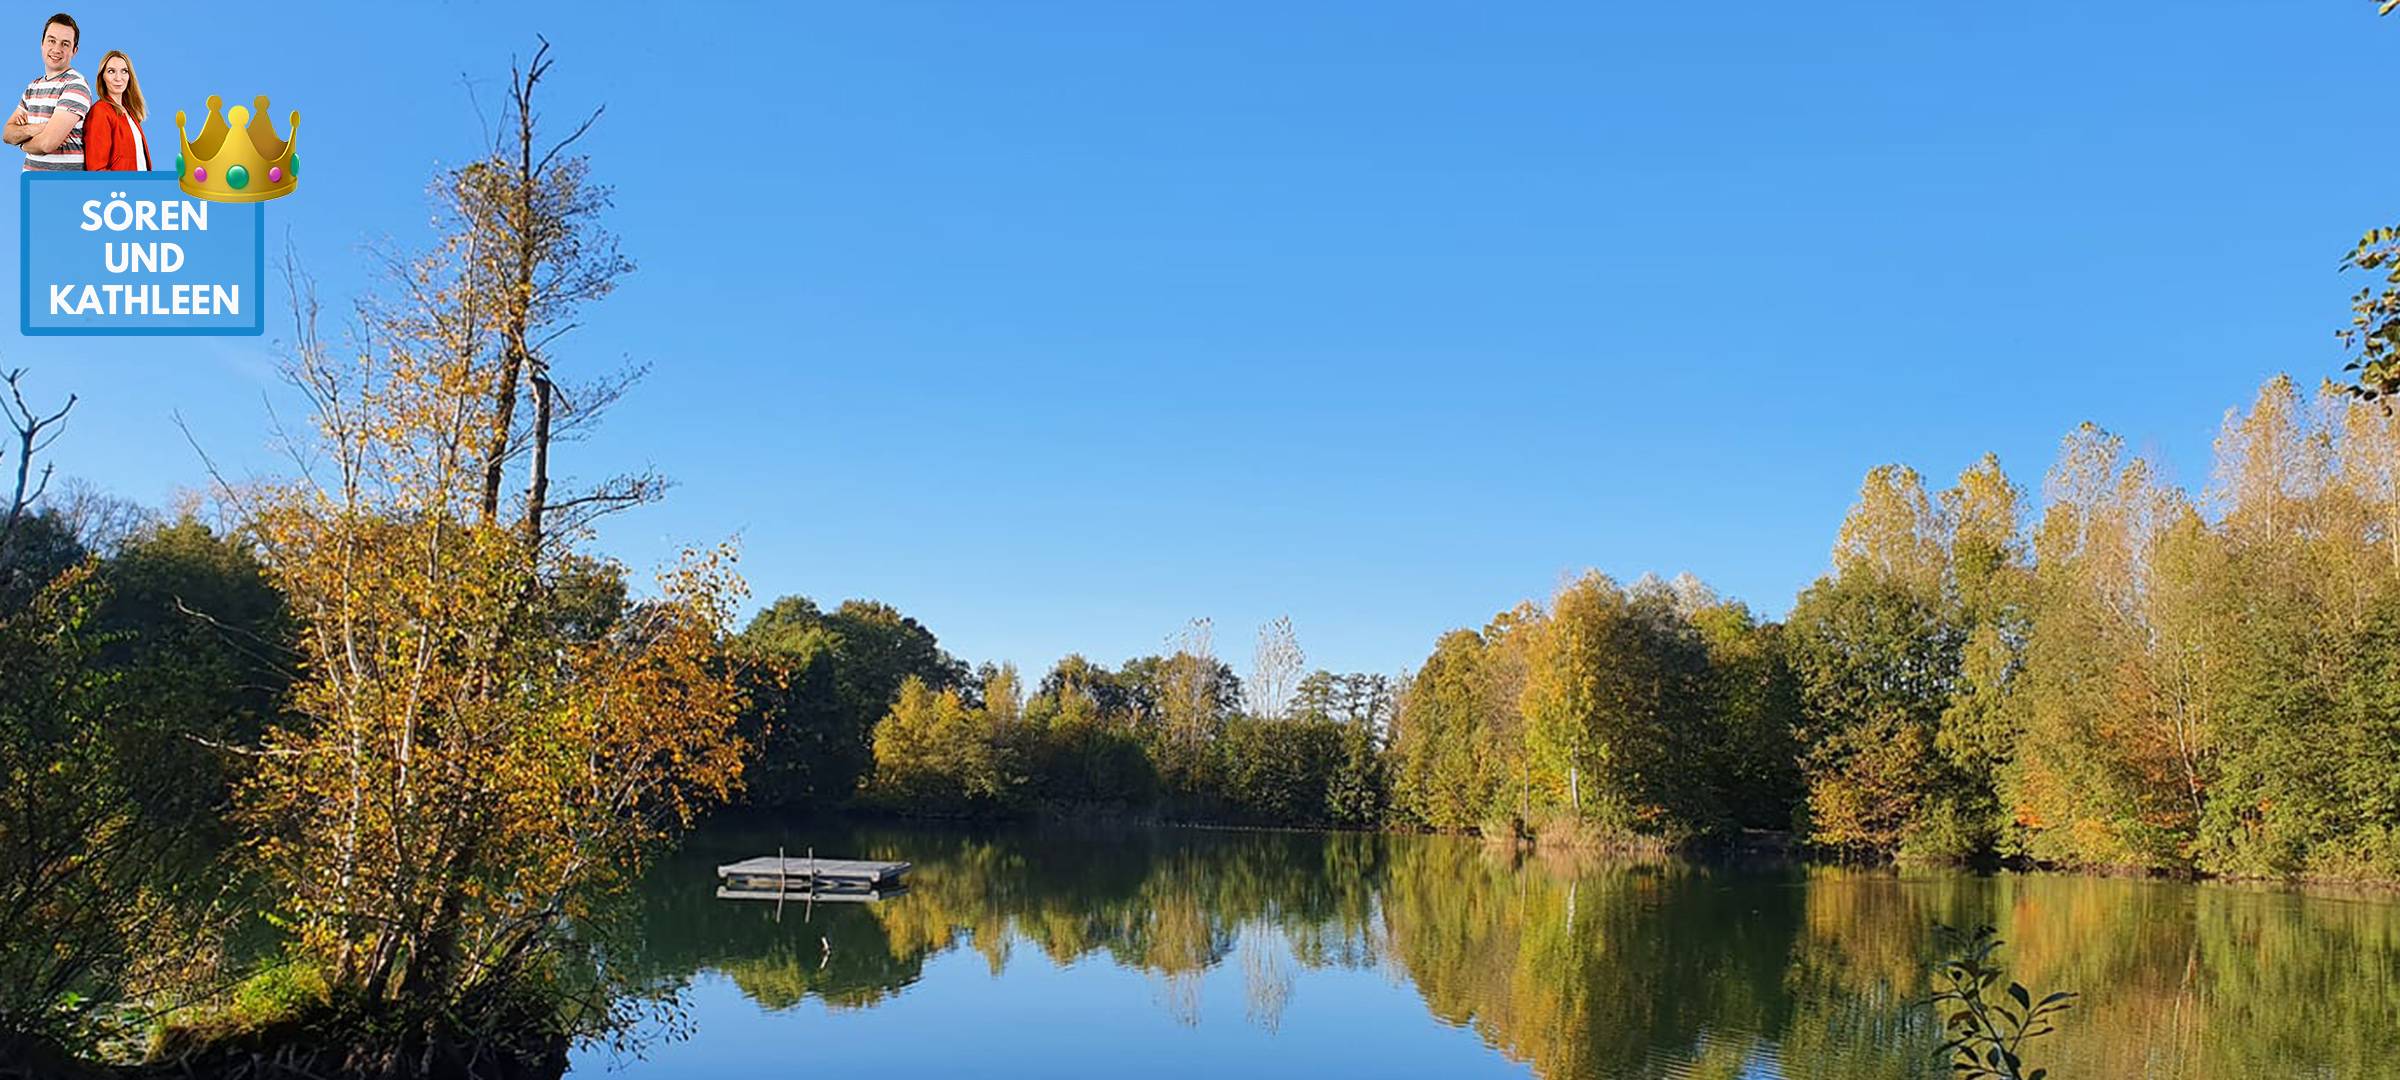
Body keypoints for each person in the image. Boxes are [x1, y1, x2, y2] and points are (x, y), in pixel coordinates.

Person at [2, 13, 88, 170]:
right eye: (52, 40)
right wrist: (36, 128)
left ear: (74, 51)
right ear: (42, 43)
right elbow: (7, 134)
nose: (56, 49)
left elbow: (47, 144)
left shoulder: (75, 85)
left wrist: (21, 142)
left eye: (65, 44)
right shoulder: (33, 87)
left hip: (63, 188)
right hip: (32, 187)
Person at [81, 49, 145, 170]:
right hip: (120, 188)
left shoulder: (130, 113)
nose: (118, 78)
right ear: (103, 77)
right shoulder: (100, 112)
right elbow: (97, 169)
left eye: (124, 71)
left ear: (129, 76)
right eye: (111, 71)